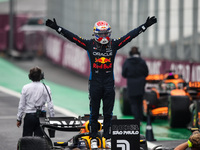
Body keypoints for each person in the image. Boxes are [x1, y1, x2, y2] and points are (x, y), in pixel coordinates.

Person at [45, 16, 157, 149]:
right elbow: (73, 38)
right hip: (95, 83)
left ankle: (107, 137)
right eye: (101, 33)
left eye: (106, 33)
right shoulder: (89, 44)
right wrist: (58, 28)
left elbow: (129, 36)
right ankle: (93, 137)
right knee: (94, 112)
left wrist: (144, 26)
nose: (104, 36)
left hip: (109, 83)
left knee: (108, 113)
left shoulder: (114, 44)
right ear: (96, 34)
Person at [16, 67, 55, 137]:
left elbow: (21, 105)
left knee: (26, 141)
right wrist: (52, 119)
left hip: (29, 117)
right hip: (42, 117)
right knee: (39, 141)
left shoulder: (25, 87)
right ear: (41, 76)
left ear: (30, 76)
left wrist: (19, 118)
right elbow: (50, 105)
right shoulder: (46, 87)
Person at [122, 46, 149, 123]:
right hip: (141, 84)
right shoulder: (142, 61)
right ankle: (140, 118)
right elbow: (146, 73)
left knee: (133, 103)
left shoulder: (127, 62)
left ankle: (136, 119)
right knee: (140, 102)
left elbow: (123, 74)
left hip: (131, 84)